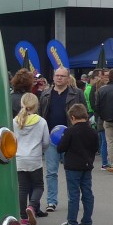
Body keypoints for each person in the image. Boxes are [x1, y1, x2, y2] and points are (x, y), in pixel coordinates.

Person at [38, 66, 83, 211]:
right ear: (53, 77)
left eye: (62, 76)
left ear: (68, 78)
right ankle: (51, 201)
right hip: (50, 139)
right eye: (57, 75)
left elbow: (83, 115)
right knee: (51, 172)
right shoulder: (45, 94)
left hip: (70, 138)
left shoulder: (77, 94)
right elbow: (40, 115)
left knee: (71, 172)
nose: (59, 78)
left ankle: (73, 200)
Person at [54, 102, 98, 225]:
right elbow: (95, 148)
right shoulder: (93, 132)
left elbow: (61, 148)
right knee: (87, 193)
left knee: (73, 195)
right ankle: (87, 222)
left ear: (72, 117)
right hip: (87, 165)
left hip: (73, 166)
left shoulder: (70, 131)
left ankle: (72, 222)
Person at [12, 92, 48, 225]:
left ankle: (23, 216)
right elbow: (46, 141)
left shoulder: (15, 121)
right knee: (38, 185)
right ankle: (32, 206)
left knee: (23, 188)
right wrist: (40, 150)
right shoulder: (41, 121)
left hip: (19, 158)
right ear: (36, 105)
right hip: (34, 158)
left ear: (21, 104)